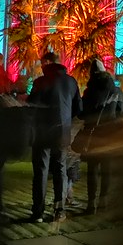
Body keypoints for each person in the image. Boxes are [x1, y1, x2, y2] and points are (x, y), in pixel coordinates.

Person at [27, 51, 82, 223]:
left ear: (48, 62)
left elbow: (31, 105)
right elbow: (78, 109)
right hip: (62, 131)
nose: (40, 66)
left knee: (41, 171)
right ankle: (60, 210)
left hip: (42, 132)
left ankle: (38, 212)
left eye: (42, 63)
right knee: (60, 170)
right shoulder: (71, 81)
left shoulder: (41, 82)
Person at [80, 59, 122, 212]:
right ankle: (103, 200)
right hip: (109, 132)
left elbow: (82, 112)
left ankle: (91, 203)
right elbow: (119, 111)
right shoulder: (115, 90)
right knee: (107, 168)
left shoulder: (89, 91)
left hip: (93, 132)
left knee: (92, 169)